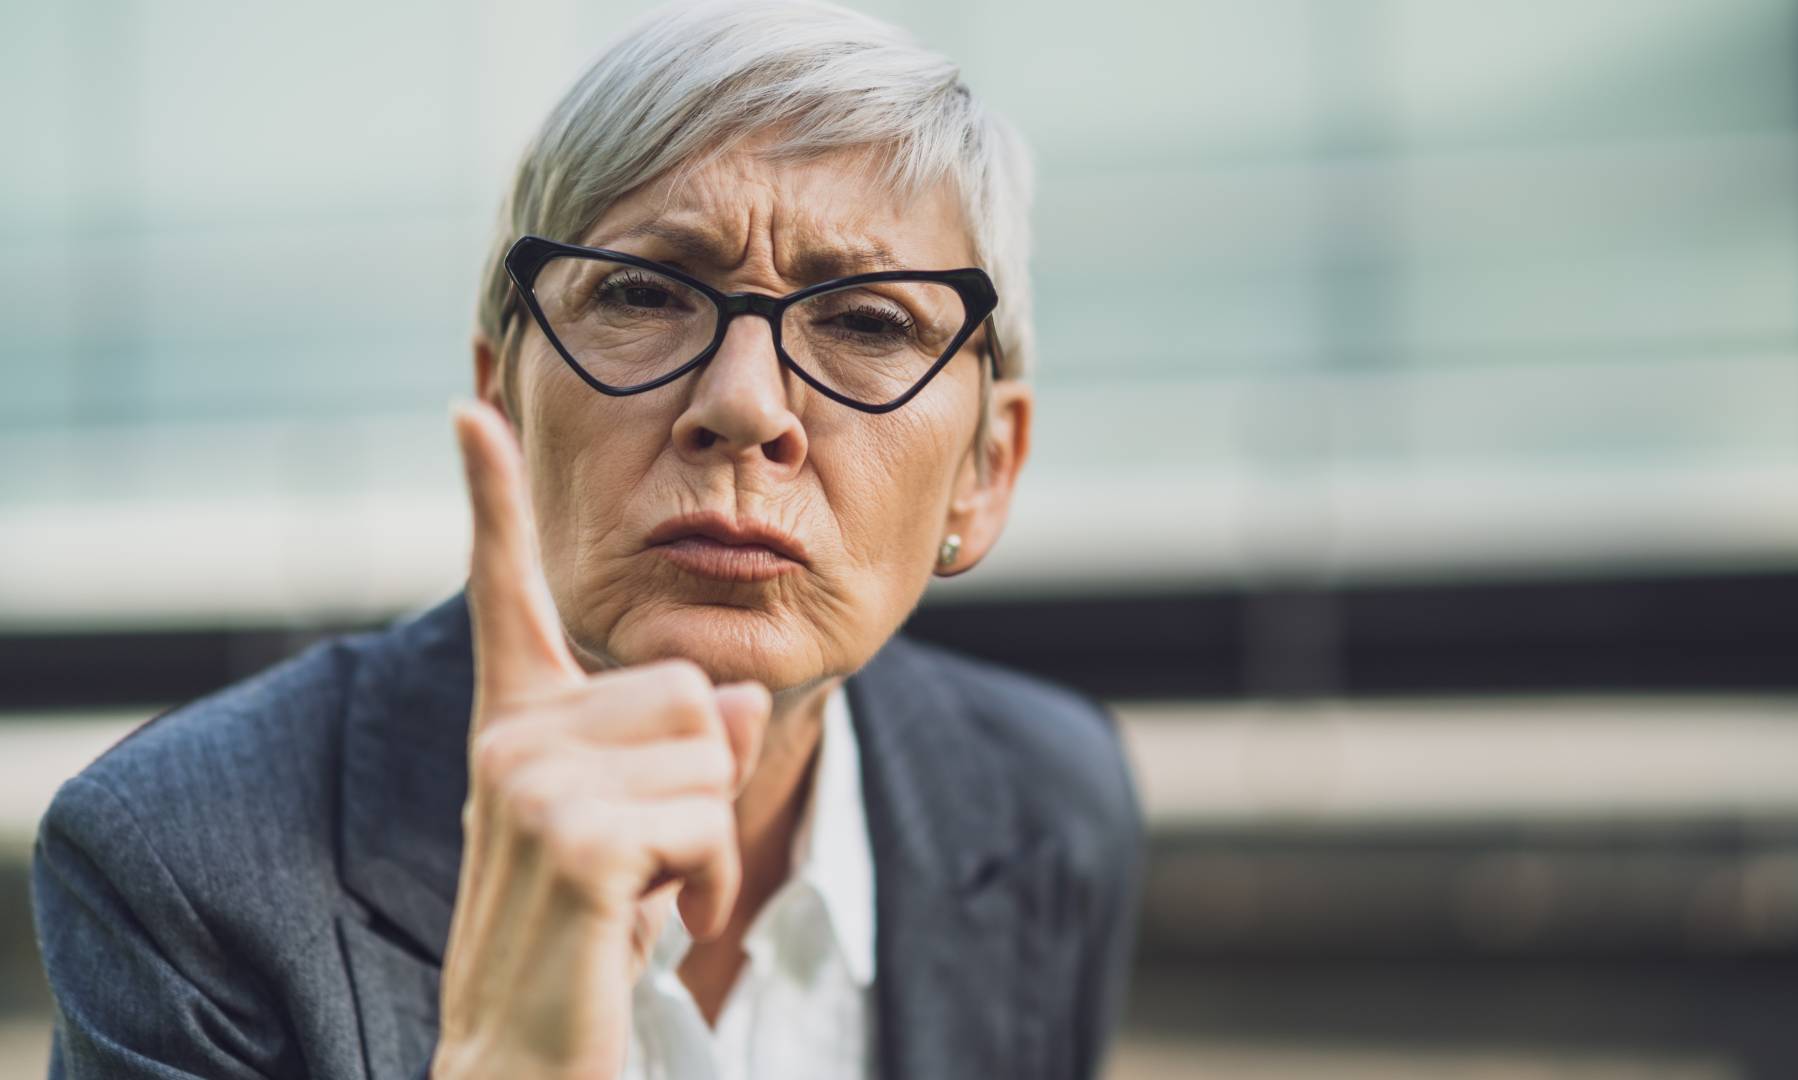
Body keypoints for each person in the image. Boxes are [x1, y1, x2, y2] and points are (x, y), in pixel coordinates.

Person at [28, 2, 1146, 1078]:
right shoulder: (178, 862)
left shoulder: (1048, 800)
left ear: (986, 471)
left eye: (868, 321)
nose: (746, 406)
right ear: (502, 403)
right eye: (643, 294)